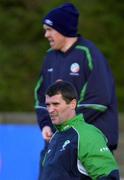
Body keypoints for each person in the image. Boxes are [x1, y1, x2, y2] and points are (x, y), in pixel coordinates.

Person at [34, 2, 119, 177]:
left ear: (62, 29)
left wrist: (70, 126)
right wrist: (45, 124)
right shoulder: (50, 57)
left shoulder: (88, 53)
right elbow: (41, 95)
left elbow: (100, 98)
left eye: (49, 29)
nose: (46, 34)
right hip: (59, 136)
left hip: (86, 140)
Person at [41, 80, 119, 180]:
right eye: (48, 105)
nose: (50, 110)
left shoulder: (86, 134)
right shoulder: (56, 136)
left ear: (73, 104)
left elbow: (110, 176)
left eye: (56, 104)